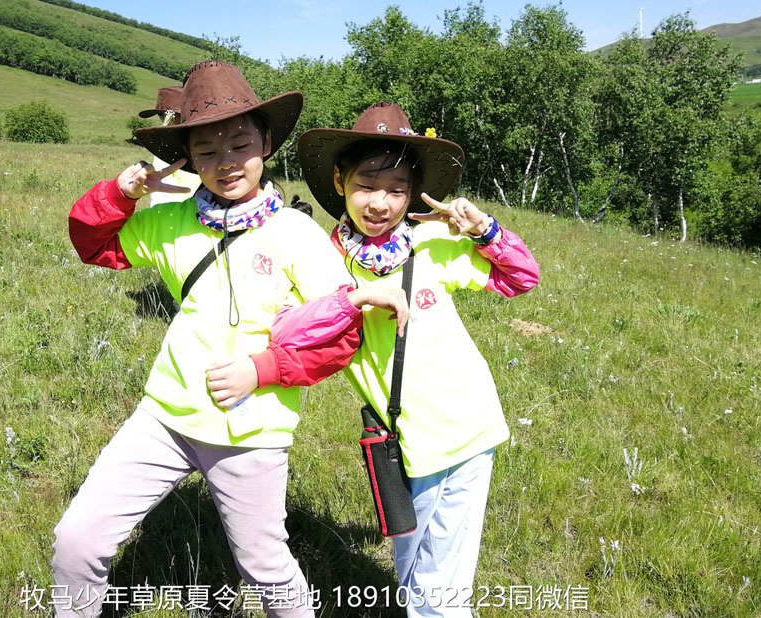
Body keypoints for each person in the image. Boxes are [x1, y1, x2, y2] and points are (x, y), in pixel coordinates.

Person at [55, 62, 408, 618]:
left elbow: (342, 332)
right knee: (76, 543)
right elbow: (93, 244)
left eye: (240, 143)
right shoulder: (168, 223)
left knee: (264, 569)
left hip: (252, 431)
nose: (225, 162)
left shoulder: (294, 233)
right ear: (189, 158)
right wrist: (121, 194)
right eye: (207, 150)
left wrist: (262, 369)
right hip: (165, 417)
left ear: (265, 142)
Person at [248, 102, 540, 617]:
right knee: (417, 573)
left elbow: (522, 279)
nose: (380, 202)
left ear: (413, 193)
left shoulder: (432, 243)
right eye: (366, 184)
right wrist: (351, 301)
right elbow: (286, 332)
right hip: (404, 441)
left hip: (471, 427)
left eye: (397, 188)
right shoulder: (320, 259)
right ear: (339, 181)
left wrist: (484, 230)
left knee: (438, 587)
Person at [137, 84, 201, 207]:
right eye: (161, 116)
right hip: (161, 217)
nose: (164, 122)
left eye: (164, 116)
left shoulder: (199, 151)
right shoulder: (162, 146)